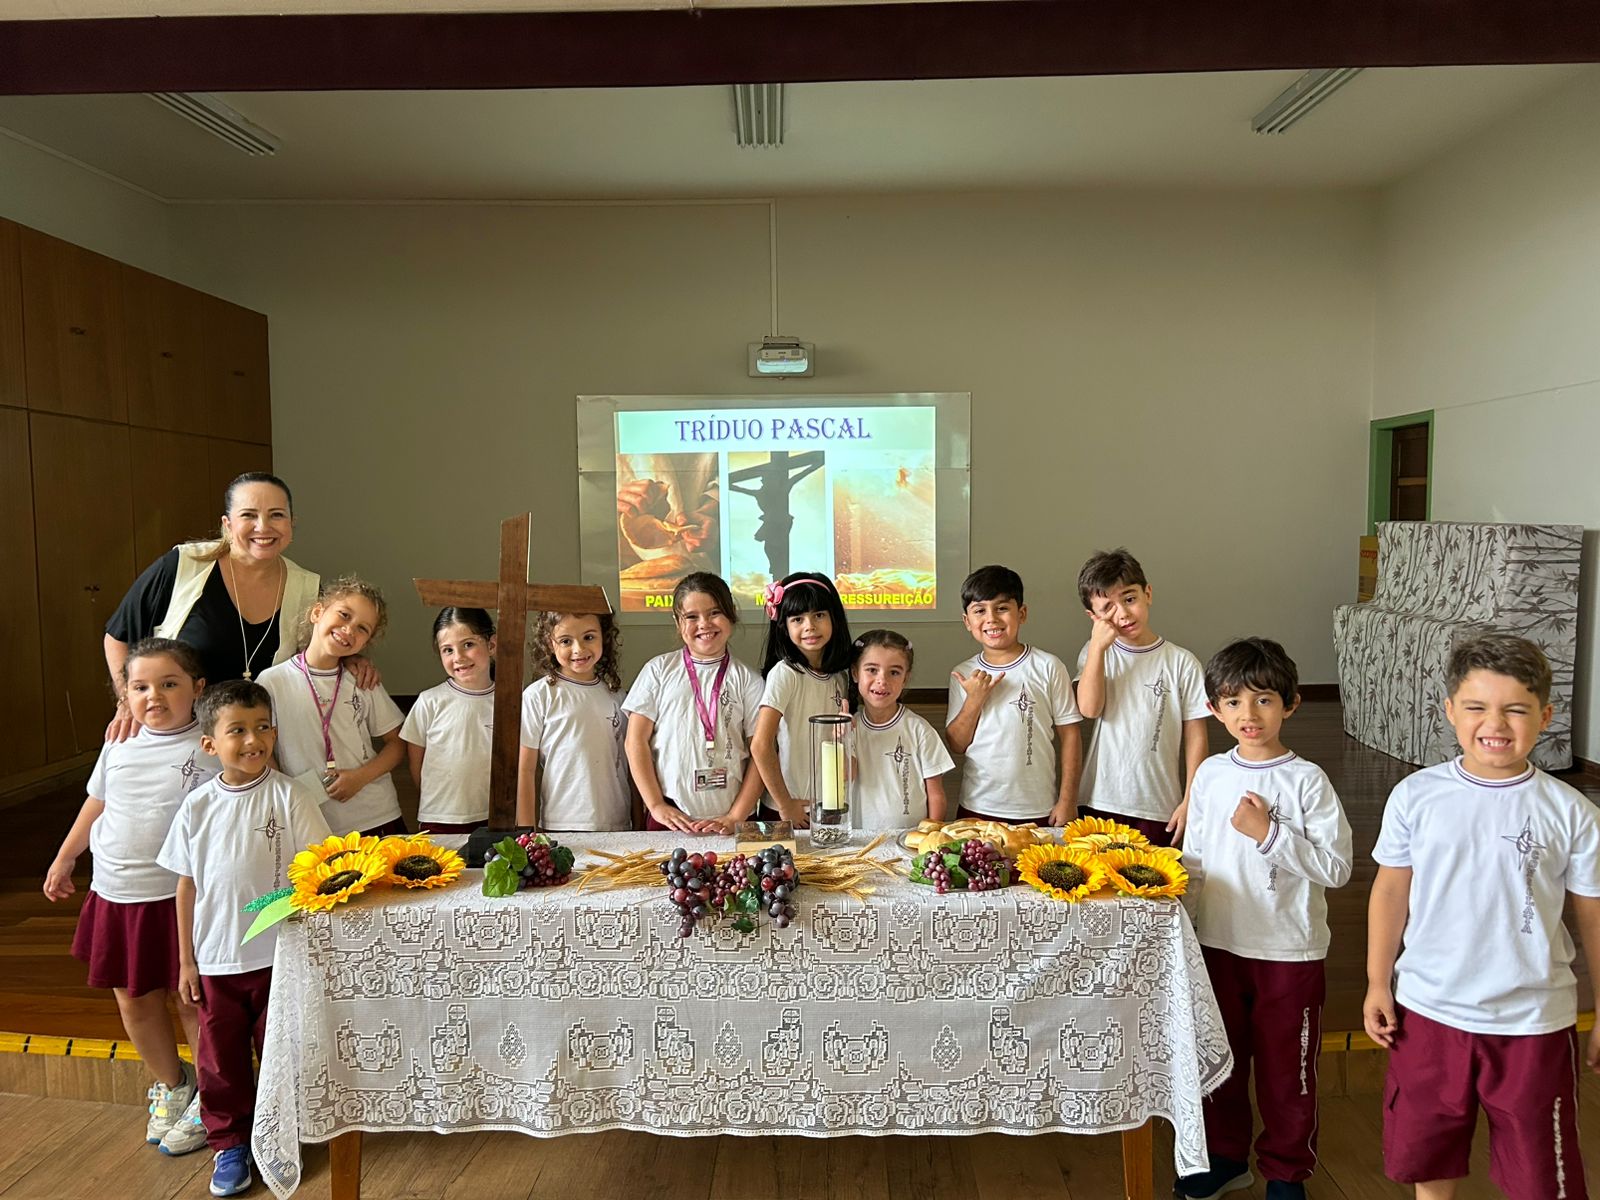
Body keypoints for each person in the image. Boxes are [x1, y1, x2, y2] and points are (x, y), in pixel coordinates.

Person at [1365, 633, 1600, 1200]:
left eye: (1515, 709)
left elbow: (1592, 915)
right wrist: (1377, 981)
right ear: (1450, 711)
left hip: (1533, 1022)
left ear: (1545, 716)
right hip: (1428, 1011)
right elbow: (1391, 891)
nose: (1495, 724)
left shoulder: (1571, 812)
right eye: (1476, 707)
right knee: (1428, 1158)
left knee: (1540, 1174)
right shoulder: (1415, 796)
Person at [1177, 637, 1352, 1200]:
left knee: (1286, 1073)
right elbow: (1195, 859)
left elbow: (1337, 867)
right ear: (1214, 708)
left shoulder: (1307, 780)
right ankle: (1226, 1158)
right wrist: (1186, 927)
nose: (1248, 714)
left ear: (1291, 704)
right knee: (1220, 1061)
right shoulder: (1209, 774)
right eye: (1233, 702)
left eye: (1263, 700)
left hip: (1287, 953)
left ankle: (1285, 1173)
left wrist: (1269, 834)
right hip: (1217, 944)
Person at [43, 638, 218, 1155]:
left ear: (198, 688)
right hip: (116, 893)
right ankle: (173, 1083)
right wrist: (65, 856)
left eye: (169, 684)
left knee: (191, 1000)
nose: (153, 697)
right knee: (133, 998)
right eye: (140, 687)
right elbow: (97, 802)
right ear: (126, 694)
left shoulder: (209, 746)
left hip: (179, 899)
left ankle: (213, 1096)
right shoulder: (119, 741)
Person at [157, 679, 331, 1198]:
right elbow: (185, 886)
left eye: (263, 727)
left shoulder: (291, 796)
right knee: (219, 1061)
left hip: (280, 957)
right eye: (237, 730)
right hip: (216, 962)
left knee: (282, 1051)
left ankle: (278, 1134)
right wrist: (186, 961)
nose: (253, 740)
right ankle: (229, 1143)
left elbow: (319, 872)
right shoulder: (197, 807)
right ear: (210, 743)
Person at [101, 473, 374, 740]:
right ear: (228, 524)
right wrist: (126, 700)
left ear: (291, 523)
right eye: (249, 515)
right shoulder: (182, 565)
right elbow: (117, 637)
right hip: (181, 736)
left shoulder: (307, 587)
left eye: (277, 515)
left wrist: (352, 659)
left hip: (259, 742)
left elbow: (321, 647)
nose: (263, 527)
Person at [1073, 548, 1210, 846]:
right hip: (1099, 798)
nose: (1122, 613)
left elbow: (1196, 737)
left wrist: (1191, 799)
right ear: (1093, 617)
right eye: (1107, 608)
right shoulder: (1097, 654)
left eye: (1129, 599)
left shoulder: (1182, 662)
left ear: (1147, 593)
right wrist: (1097, 648)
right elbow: (1089, 709)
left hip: (1158, 805)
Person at [256, 577, 406, 837]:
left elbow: (397, 743)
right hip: (313, 821)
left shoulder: (362, 679)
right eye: (344, 615)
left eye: (362, 628)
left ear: (366, 643)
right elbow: (263, 749)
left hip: (376, 815)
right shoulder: (272, 682)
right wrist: (288, 798)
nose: (349, 629)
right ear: (317, 612)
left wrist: (360, 778)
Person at [623, 572, 764, 835]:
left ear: (732, 614)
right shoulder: (658, 671)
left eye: (714, 613)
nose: (704, 624)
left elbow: (761, 753)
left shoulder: (749, 680)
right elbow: (635, 741)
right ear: (678, 622)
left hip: (732, 822)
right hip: (670, 818)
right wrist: (655, 805)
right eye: (691, 617)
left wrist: (735, 816)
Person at [946, 564, 1082, 825]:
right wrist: (974, 700)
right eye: (980, 611)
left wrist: (1067, 800)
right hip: (977, 805)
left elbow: (1071, 735)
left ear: (1022, 613)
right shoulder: (963, 673)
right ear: (967, 621)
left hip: (1037, 807)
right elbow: (957, 745)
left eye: (1002, 608)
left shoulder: (1048, 666)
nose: (991, 619)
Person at [751, 572, 853, 826]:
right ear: (784, 627)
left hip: (828, 804)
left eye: (819, 615)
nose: (810, 626)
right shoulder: (785, 673)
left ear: (834, 618)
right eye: (798, 619)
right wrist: (785, 805)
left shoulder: (840, 676)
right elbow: (760, 745)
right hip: (787, 809)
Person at [517, 610, 631, 832]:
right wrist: (526, 832)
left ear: (604, 637)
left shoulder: (617, 696)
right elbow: (525, 770)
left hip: (617, 823)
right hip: (561, 822)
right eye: (566, 641)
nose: (578, 649)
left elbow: (629, 765)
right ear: (550, 644)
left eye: (588, 637)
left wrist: (638, 822)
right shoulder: (538, 695)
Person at [399, 608, 497, 836]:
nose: (458, 657)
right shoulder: (429, 701)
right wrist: (438, 803)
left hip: (492, 816)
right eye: (448, 650)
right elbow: (416, 762)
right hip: (439, 817)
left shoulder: (510, 703)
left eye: (468, 644)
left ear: (492, 644)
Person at [850, 629, 953, 830]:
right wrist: (839, 740)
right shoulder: (850, 729)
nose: (882, 680)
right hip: (861, 839)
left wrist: (930, 835)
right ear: (855, 673)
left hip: (910, 839)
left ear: (905, 679)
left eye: (894, 672)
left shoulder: (919, 730)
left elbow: (936, 794)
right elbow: (843, 777)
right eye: (872, 670)